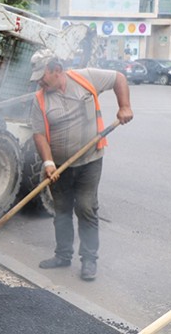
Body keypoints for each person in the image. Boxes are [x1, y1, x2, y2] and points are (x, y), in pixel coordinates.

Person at [29, 49, 133, 281]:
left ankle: (88, 261)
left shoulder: (85, 77)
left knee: (86, 208)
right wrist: (48, 162)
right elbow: (39, 134)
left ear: (56, 70)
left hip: (90, 160)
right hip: (59, 167)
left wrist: (124, 106)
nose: (39, 82)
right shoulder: (40, 99)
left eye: (42, 76)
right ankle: (63, 256)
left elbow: (119, 78)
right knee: (62, 211)